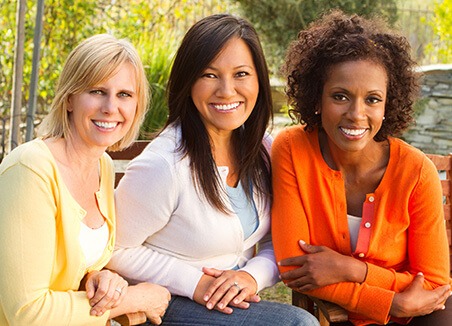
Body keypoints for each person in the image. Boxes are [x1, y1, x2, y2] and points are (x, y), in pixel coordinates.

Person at [106, 14, 319, 326]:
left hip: (228, 305)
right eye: (209, 75)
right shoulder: (165, 165)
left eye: (241, 74)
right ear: (188, 81)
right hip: (165, 304)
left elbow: (281, 239)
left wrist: (251, 275)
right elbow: (114, 249)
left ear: (258, 79)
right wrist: (194, 284)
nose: (227, 90)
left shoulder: (263, 149)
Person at [271, 9, 452, 326]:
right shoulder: (291, 149)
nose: (356, 114)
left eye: (372, 99)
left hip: (417, 316)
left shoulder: (416, 171)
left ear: (388, 104)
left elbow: (434, 285)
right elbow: (293, 267)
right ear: (317, 98)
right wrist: (390, 302)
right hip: (342, 315)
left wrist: (350, 269)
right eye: (340, 96)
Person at [0, 34, 170, 325]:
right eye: (96, 91)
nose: (110, 107)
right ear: (69, 99)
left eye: (124, 95)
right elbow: (27, 313)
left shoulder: (101, 165)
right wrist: (133, 298)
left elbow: (70, 267)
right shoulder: (30, 169)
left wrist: (100, 278)